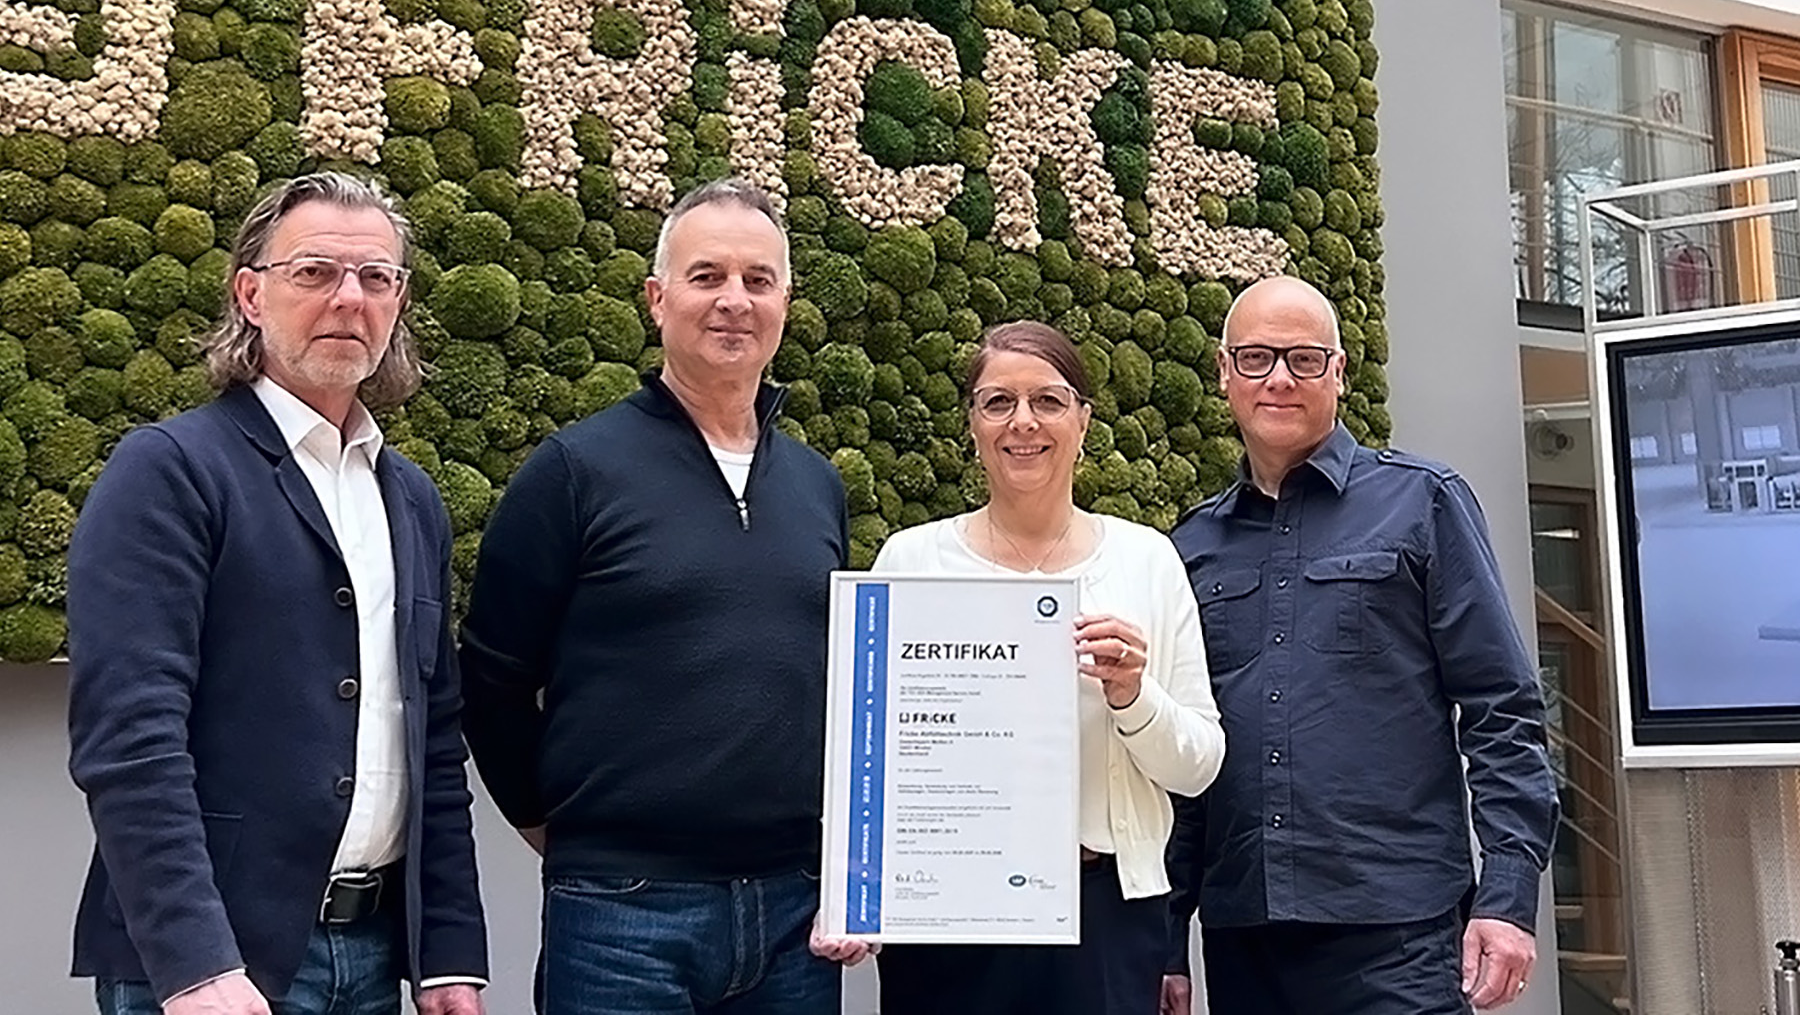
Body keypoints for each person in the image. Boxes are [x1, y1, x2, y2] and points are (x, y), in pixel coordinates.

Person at [66, 172, 488, 1015]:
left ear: (398, 301)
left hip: (373, 958)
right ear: (251, 293)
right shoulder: (171, 472)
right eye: (315, 272)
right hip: (215, 966)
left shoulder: (409, 498)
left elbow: (433, 736)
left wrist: (448, 953)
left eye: (376, 278)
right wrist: (195, 965)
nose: (348, 298)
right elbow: (130, 737)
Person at [458, 177, 851, 1015]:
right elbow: (491, 678)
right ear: (656, 298)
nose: (733, 301)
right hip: (621, 912)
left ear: (785, 300)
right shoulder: (572, 472)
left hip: (794, 914)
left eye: (758, 279)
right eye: (706, 276)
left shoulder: (818, 487)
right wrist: (554, 829)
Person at [1162, 275, 1558, 1015]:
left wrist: (1506, 895)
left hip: (1398, 934)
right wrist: (1163, 941)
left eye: (1304, 358)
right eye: (1254, 358)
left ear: (1339, 372)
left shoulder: (1424, 502)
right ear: (1224, 372)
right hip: (1245, 938)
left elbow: (1502, 710)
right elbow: (1184, 757)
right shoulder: (1192, 546)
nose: (1278, 378)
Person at [866, 320, 1226, 1015]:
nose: (1022, 422)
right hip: (947, 914)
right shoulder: (911, 563)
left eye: (1049, 401)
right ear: (971, 423)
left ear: (1083, 420)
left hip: (1103, 919)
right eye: (998, 402)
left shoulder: (1144, 561)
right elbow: (873, 759)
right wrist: (862, 891)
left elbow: (1200, 764)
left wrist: (1132, 696)